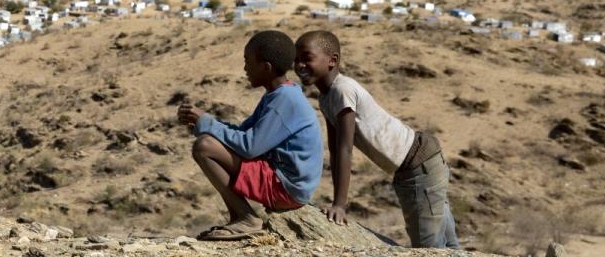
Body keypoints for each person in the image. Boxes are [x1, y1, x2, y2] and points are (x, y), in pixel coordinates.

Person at [293, 30, 459, 248]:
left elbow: (345, 149)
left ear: (332, 61)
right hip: (412, 167)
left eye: (307, 58)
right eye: (296, 60)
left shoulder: (343, 90)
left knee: (429, 246)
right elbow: (335, 150)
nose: (299, 65)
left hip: (419, 165)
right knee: (447, 244)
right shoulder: (326, 98)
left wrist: (340, 205)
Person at [178, 30, 323, 241]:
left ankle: (246, 218)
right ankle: (238, 217)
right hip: (284, 181)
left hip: (286, 188)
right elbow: (244, 133)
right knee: (210, 142)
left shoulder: (285, 100)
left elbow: (249, 147)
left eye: (248, 62)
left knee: (204, 147)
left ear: (266, 67)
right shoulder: (278, 94)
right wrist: (204, 122)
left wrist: (208, 124)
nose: (245, 69)